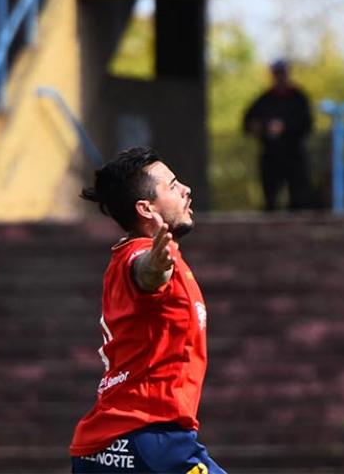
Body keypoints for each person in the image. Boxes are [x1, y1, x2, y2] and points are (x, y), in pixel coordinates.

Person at [70, 147, 225, 474]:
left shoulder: (132, 257)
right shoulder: (140, 254)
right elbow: (146, 274)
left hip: (108, 446)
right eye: (173, 185)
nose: (186, 189)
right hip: (149, 440)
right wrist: (156, 265)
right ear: (145, 208)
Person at [242, 59, 315, 211]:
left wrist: (285, 127)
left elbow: (307, 124)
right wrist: (262, 127)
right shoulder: (265, 99)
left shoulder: (298, 98)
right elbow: (248, 122)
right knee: (270, 198)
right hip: (271, 154)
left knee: (299, 198)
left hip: (293, 153)